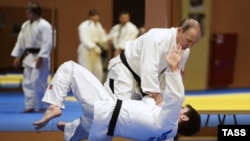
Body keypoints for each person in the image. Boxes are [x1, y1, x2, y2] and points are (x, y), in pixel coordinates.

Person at [33, 45, 201, 141]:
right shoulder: (167, 135)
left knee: (69, 67)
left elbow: (176, 98)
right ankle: (73, 129)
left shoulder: (169, 120)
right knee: (89, 121)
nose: (179, 108)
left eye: (182, 109)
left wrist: (173, 70)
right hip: (107, 130)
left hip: (107, 110)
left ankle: (54, 106)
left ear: (183, 117)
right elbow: (154, 101)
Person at [104, 18, 202, 104]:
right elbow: (149, 68)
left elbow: (174, 75)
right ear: (180, 30)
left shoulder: (185, 51)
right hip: (125, 71)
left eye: (194, 43)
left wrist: (169, 99)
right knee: (117, 109)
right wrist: (158, 97)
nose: (190, 46)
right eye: (188, 40)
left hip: (143, 79)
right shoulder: (157, 37)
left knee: (134, 115)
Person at [10, 1, 53, 113]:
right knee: (27, 82)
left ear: (36, 13)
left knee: (38, 81)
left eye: (29, 12)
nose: (27, 14)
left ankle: (42, 106)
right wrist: (17, 56)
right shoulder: (25, 25)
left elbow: (47, 42)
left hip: (40, 57)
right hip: (29, 57)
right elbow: (20, 42)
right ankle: (29, 106)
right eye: (27, 12)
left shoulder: (45, 25)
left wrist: (41, 57)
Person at [77, 9, 108, 82]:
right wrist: (93, 47)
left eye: (97, 16)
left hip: (97, 50)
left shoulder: (98, 25)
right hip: (87, 50)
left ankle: (97, 88)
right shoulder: (84, 25)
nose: (96, 17)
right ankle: (84, 88)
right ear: (90, 16)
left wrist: (106, 39)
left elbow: (101, 38)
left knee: (98, 71)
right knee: (86, 69)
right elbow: (84, 38)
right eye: (94, 16)